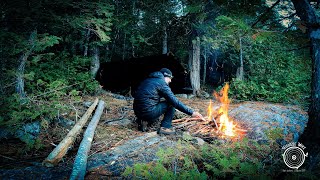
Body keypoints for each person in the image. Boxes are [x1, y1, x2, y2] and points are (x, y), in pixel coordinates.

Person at [133, 68, 204, 135]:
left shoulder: (148, 80)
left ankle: (143, 120)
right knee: (171, 104)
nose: (170, 81)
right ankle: (165, 128)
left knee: (156, 103)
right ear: (165, 76)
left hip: (137, 112)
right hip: (148, 112)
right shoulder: (162, 83)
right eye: (170, 78)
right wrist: (192, 112)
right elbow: (175, 102)